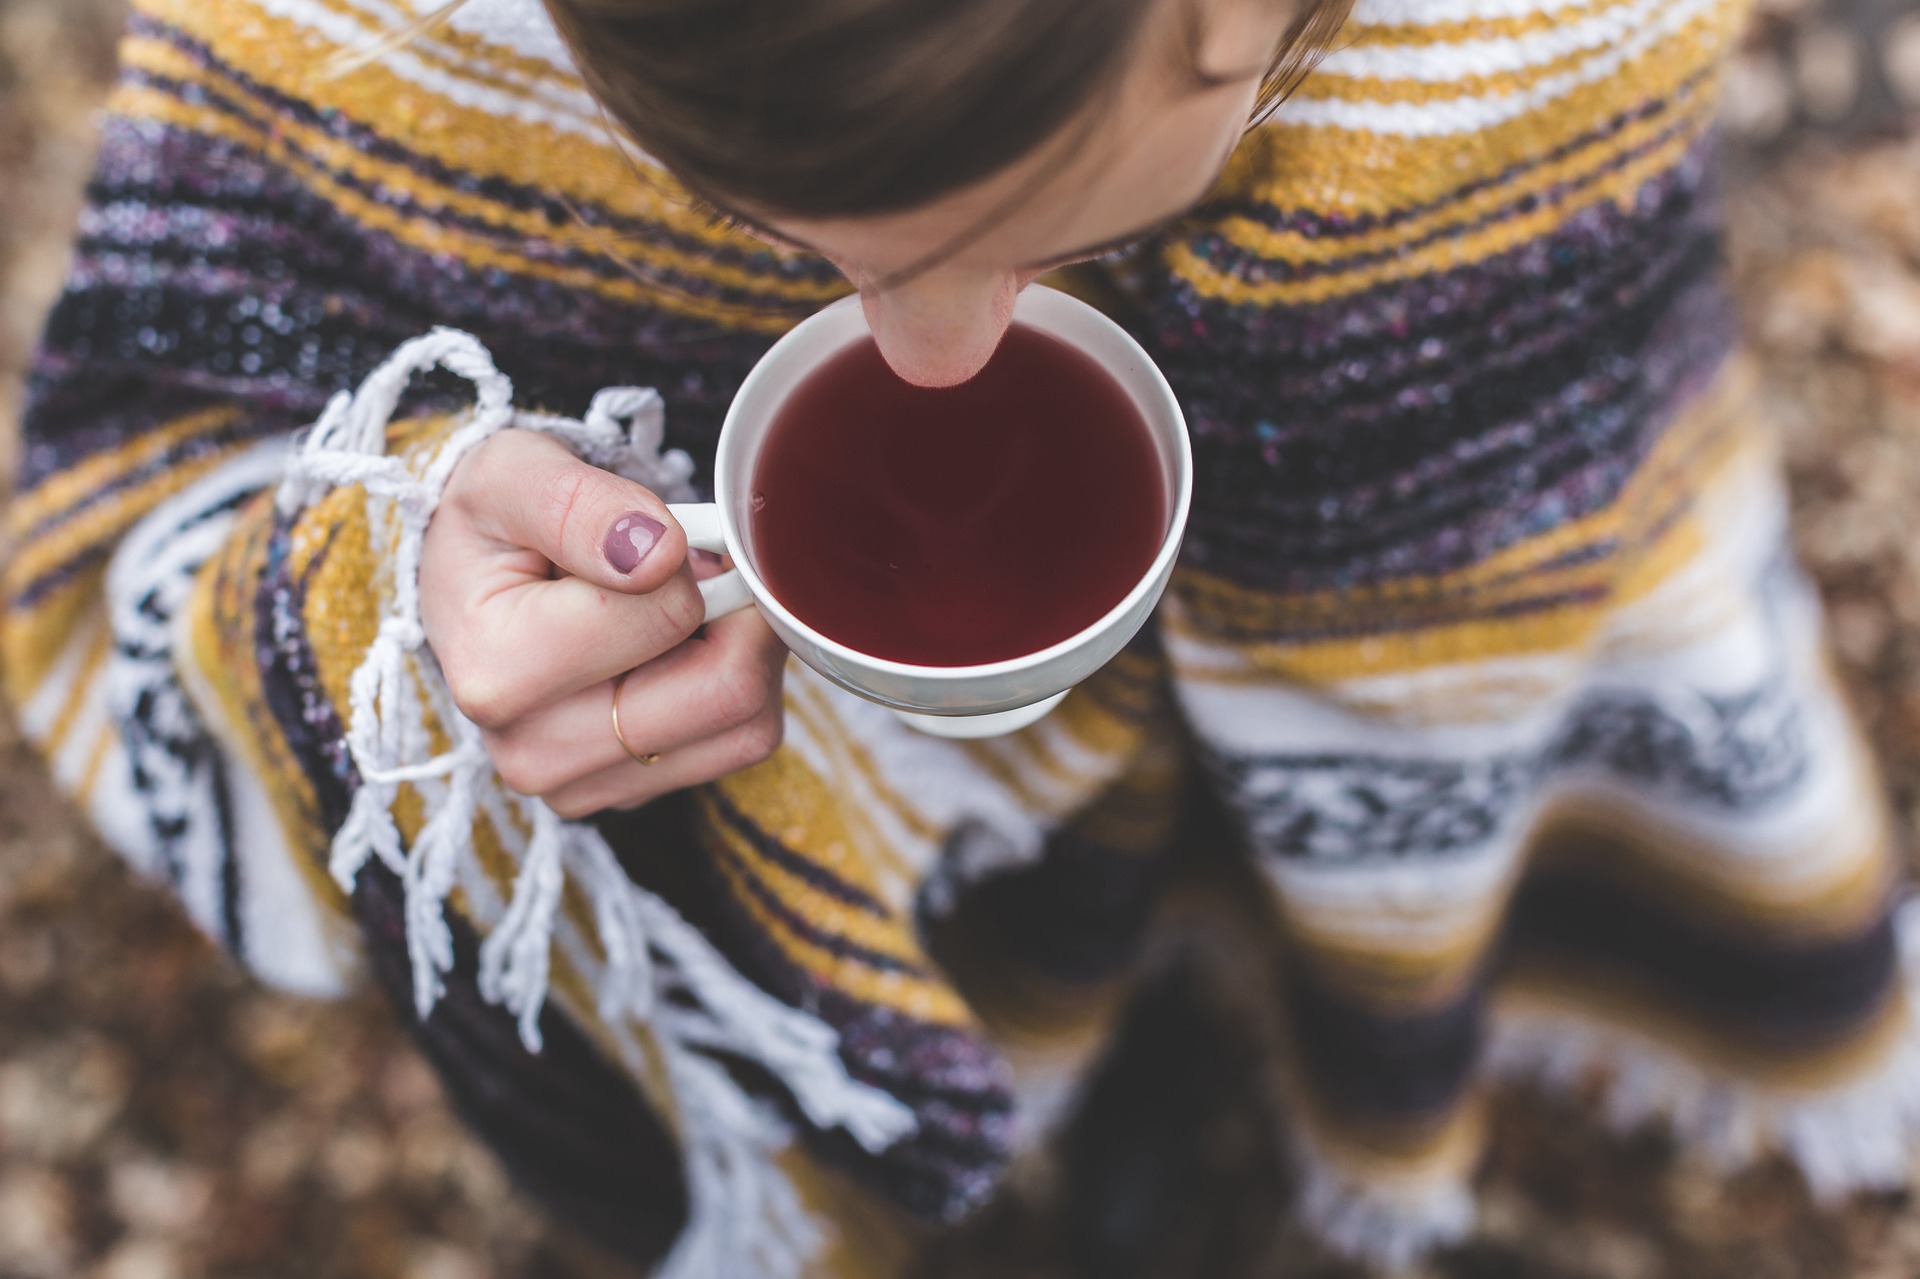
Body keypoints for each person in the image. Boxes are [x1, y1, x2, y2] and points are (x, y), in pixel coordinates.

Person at [8, 0, 1915, 1272]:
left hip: (1345, 762)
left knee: (1199, 960)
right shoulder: (379, 35)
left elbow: (1570, 405)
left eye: (1004, 234)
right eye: (789, 243)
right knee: (973, 1144)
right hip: (880, 838)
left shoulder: (1558, 36)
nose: (921, 352)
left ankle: (1174, 1042)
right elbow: (134, 504)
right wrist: (382, 591)